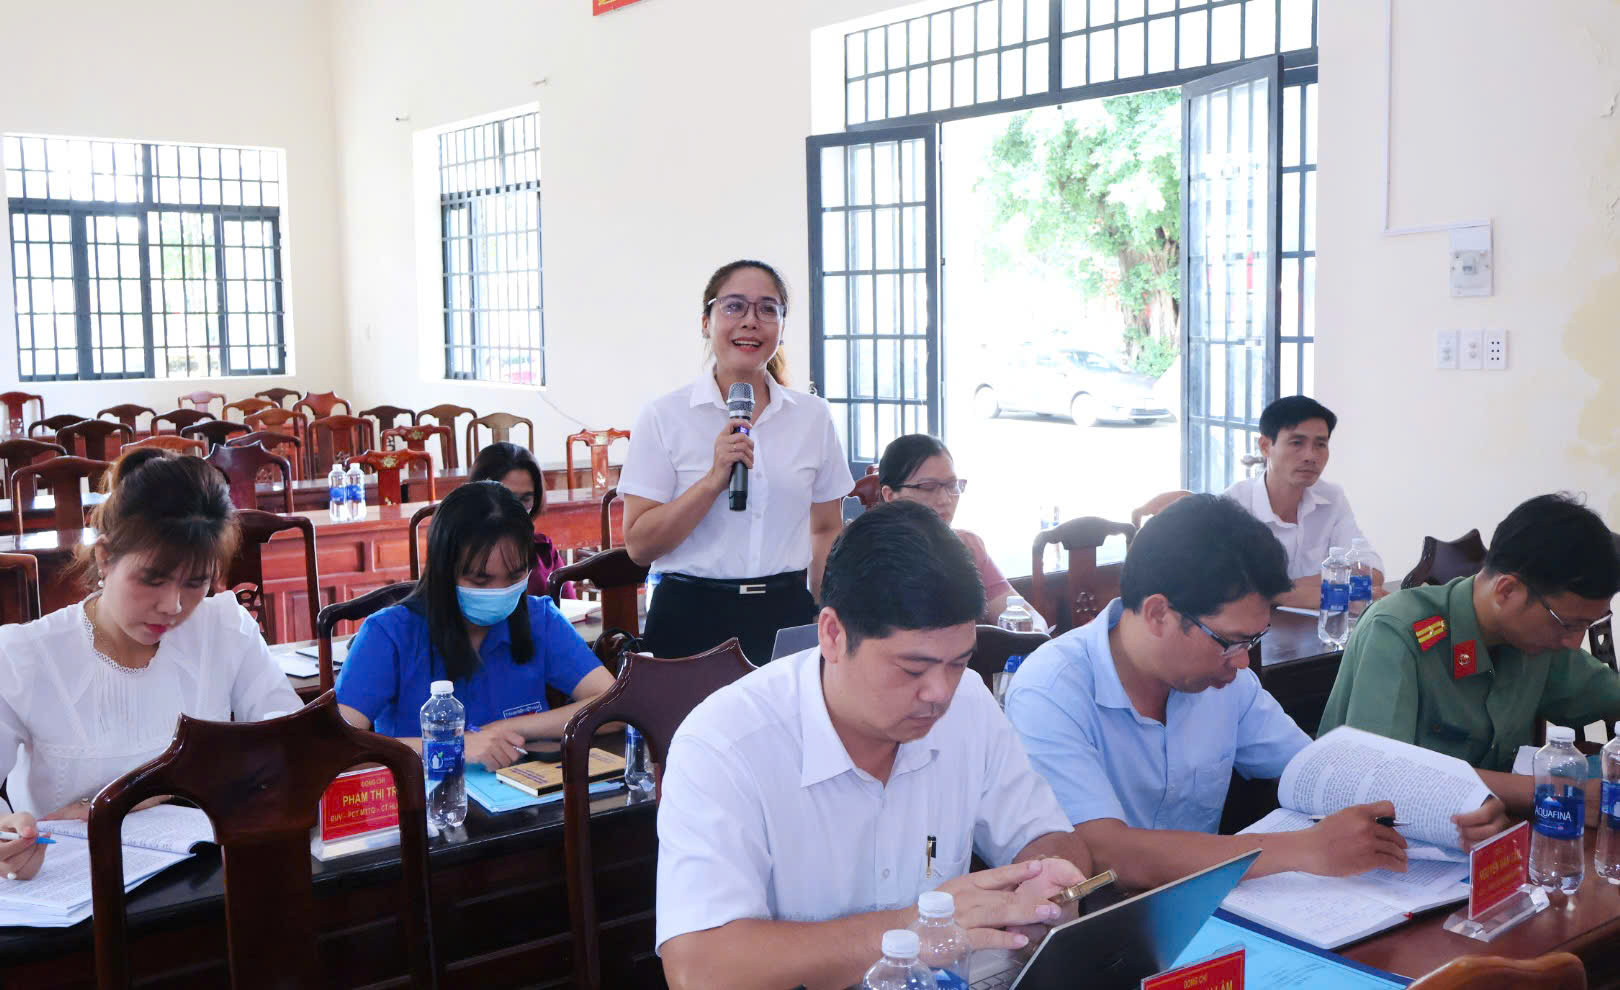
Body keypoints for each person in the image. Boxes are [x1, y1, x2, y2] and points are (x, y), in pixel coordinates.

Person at [656, 501, 1094, 990]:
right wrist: (916, 930)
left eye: (958, 663)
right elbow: (698, 968)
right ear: (832, 634)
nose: (939, 693)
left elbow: (1049, 837)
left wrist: (1048, 883)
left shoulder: (969, 703)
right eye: (912, 669)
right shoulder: (724, 744)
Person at [1005, 494, 1410, 891]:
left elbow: (1312, 769)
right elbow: (1105, 853)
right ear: (1158, 614)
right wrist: (1304, 849)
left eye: (1253, 640)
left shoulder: (1223, 681)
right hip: (1102, 919)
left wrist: (1426, 797)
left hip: (1211, 906)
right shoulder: (1051, 690)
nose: (1243, 662)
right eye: (1230, 642)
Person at [0, 450, 301, 881]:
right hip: (72, 890)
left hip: (205, 882)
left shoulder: (222, 626)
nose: (173, 606)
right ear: (105, 557)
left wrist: (157, 798)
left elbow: (289, 742)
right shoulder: (26, 655)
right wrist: (7, 835)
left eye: (196, 583)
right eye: (153, 580)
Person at [1319, 492, 1620, 834]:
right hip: (1379, 843)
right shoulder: (1398, 630)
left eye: (1586, 625)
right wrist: (1545, 790)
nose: (1573, 642)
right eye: (1568, 624)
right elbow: (1384, 774)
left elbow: (1608, 694)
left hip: (1486, 838)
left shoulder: (1540, 643)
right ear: (1507, 591)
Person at [619, 259, 853, 664]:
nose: (750, 321)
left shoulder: (813, 417)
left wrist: (821, 607)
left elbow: (826, 527)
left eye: (767, 309)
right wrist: (713, 480)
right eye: (734, 306)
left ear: (782, 326)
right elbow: (639, 546)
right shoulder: (664, 416)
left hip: (786, 612)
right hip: (690, 614)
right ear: (705, 323)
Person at [336, 481, 614, 770]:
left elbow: (614, 707)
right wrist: (454, 747)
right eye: (481, 580)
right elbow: (339, 746)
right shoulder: (389, 634)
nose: (499, 591)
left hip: (523, 792)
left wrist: (506, 729)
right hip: (424, 795)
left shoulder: (539, 619)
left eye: (514, 576)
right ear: (444, 571)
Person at [1223, 396, 1386, 609]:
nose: (1310, 456)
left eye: (1320, 444)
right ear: (1265, 446)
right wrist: (1336, 590)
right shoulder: (1233, 505)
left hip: (1312, 625)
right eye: (1297, 443)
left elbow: (1372, 572)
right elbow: (1229, 592)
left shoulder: (1332, 498)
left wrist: (1277, 592)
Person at [878, 433, 1012, 623]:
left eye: (952, 485)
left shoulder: (966, 545)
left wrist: (1036, 629)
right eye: (927, 486)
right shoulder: (869, 559)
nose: (945, 499)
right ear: (890, 496)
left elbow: (1018, 611)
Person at [468, 441, 572, 600]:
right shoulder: (460, 552)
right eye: (507, 497)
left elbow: (569, 606)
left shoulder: (543, 550)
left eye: (525, 499)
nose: (516, 508)